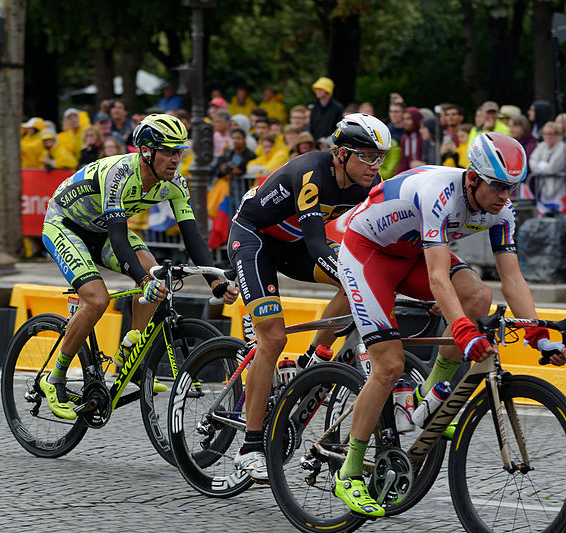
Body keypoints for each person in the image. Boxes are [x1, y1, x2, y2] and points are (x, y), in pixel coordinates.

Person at [332, 132, 566, 518]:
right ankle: (350, 471)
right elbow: (439, 278)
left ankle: (426, 404)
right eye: (499, 187)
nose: (506, 197)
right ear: (473, 177)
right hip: (368, 252)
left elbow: (512, 278)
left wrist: (538, 334)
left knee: (478, 297)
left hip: (410, 255)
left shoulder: (502, 210)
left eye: (512, 188)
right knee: (389, 364)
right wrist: (463, 331)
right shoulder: (439, 194)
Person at [39, 113, 238, 419]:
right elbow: (119, 238)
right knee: (97, 298)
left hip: (101, 230)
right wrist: (143, 280)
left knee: (156, 275)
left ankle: (127, 357)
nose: (176, 159)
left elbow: (192, 236)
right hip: (66, 225)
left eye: (180, 151)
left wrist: (215, 281)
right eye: (169, 151)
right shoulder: (120, 174)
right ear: (147, 151)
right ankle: (56, 378)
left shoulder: (175, 183)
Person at [228, 113, 391, 482]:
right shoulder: (313, 173)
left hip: (292, 245)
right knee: (272, 337)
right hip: (254, 240)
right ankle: (250, 448)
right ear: (341, 154)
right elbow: (319, 246)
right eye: (366, 156)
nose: (374, 165)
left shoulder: (368, 183)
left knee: (357, 279)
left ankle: (312, 359)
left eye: (379, 157)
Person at [529, 121, 566, 214]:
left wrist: (541, 166)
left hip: (559, 191)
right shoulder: (541, 146)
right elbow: (532, 162)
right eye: (545, 134)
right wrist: (543, 167)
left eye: (551, 134)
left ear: (557, 135)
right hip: (543, 191)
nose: (548, 136)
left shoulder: (563, 148)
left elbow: (553, 168)